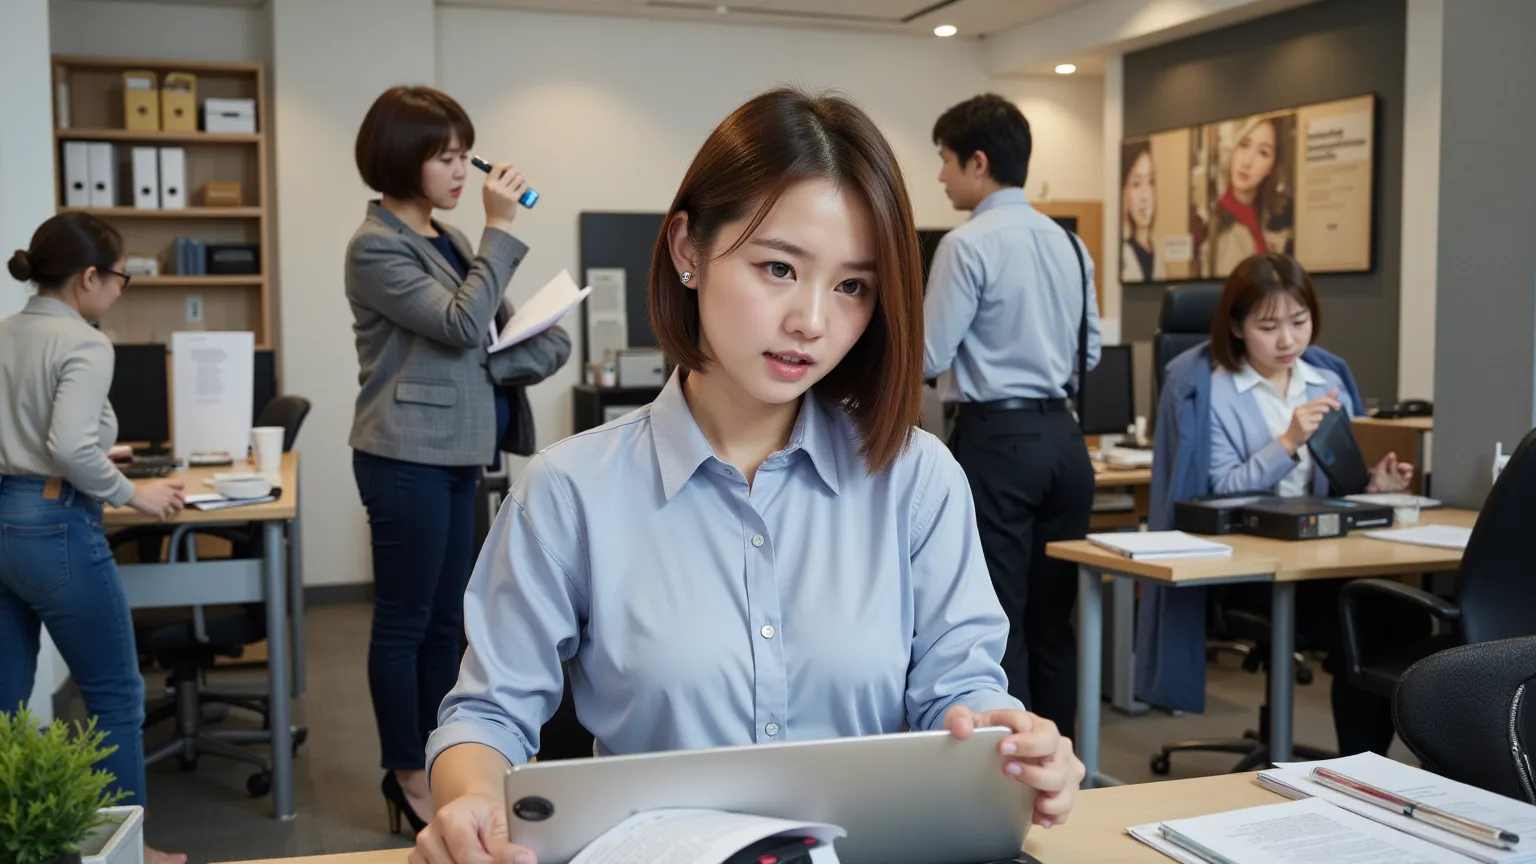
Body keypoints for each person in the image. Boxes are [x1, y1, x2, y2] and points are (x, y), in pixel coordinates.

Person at [409, 88, 1084, 864]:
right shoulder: (569, 491)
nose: (812, 321)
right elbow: (487, 715)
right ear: (688, 250)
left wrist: (1011, 741)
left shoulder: (917, 476)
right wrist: (467, 801)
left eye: (852, 286)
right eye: (777, 268)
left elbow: (959, 686)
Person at [345, 85, 533, 834]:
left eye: (465, 154)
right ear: (402, 158)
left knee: (447, 625)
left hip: (458, 451)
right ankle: (405, 771)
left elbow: (500, 331)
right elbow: (463, 323)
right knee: (403, 621)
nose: (464, 171)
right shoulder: (377, 246)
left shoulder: (450, 240)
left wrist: (533, 332)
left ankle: (438, 756)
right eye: (447, 157)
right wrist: (499, 230)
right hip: (402, 454)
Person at [1138, 253, 1416, 757]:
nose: (1287, 340)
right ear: (1238, 327)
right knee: (1358, 625)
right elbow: (1217, 492)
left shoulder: (1326, 378)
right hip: (1250, 565)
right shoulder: (1211, 388)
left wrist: (1377, 484)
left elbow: (1342, 480)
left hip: (1327, 554)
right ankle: (1354, 763)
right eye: (1269, 326)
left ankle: (1366, 765)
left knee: (1395, 621)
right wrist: (1286, 441)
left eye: (1299, 321)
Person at [0, 213, 188, 864]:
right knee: (113, 694)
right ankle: (125, 852)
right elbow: (67, 444)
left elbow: (45, 433)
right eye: (120, 279)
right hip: (56, 525)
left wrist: (101, 452)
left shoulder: (5, 332)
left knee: (5, 702)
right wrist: (134, 492)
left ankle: (17, 841)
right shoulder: (85, 342)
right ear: (88, 278)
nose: (118, 291)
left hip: (3, 521)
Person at [923, 93, 1101, 737]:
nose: (940, 176)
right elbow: (1093, 349)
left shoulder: (967, 245)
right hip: (1065, 440)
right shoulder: (1070, 246)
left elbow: (927, 352)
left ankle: (1012, 776)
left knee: (997, 619)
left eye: (944, 161)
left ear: (978, 161)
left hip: (999, 441)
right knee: (1054, 618)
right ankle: (1063, 764)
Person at [1211, 116, 1294, 276]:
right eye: (1244, 145)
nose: (1247, 162)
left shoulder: (1275, 220)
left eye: (1263, 153)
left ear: (1272, 166)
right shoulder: (1214, 223)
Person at [1120, 141, 1165, 282]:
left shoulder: (1159, 254)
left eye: (1151, 182)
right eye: (1136, 184)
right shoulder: (1121, 254)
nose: (1145, 196)